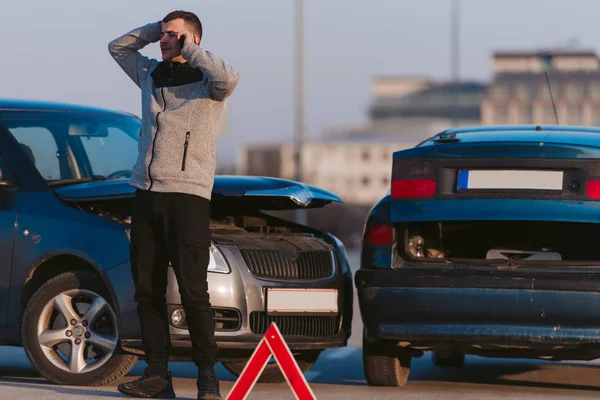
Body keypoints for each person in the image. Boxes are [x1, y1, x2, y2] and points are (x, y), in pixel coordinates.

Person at [108, 10, 239, 400]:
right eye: (164, 35)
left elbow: (229, 78)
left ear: (193, 40)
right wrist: (155, 32)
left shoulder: (207, 82)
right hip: (146, 194)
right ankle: (157, 376)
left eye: (175, 36)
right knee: (147, 291)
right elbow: (118, 47)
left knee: (194, 292)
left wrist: (191, 50)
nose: (167, 40)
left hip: (188, 197)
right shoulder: (150, 74)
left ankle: (207, 379)